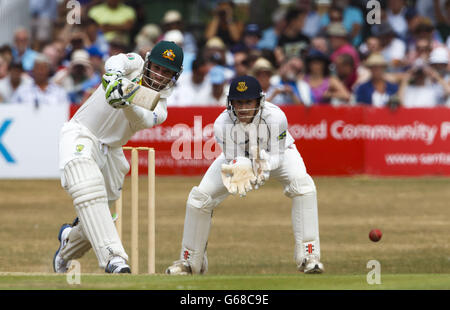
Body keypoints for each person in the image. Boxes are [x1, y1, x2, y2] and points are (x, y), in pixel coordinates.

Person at [165, 75, 324, 275]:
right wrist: (244, 169)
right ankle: (189, 263)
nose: (243, 108)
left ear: (259, 101)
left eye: (248, 101)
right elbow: (234, 161)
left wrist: (262, 166)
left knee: (304, 187)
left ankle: (309, 256)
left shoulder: (276, 117)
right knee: (199, 198)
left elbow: (277, 155)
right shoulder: (222, 124)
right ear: (230, 103)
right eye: (238, 102)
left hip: (277, 156)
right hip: (240, 159)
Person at [52, 41, 184, 274]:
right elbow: (118, 60)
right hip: (82, 132)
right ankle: (114, 258)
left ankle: (66, 247)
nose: (159, 74)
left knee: (96, 213)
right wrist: (113, 76)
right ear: (148, 60)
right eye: (157, 66)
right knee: (87, 190)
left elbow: (140, 120)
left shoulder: (160, 106)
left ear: (174, 76)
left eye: (166, 72)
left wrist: (124, 100)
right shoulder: (135, 65)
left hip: (112, 151)